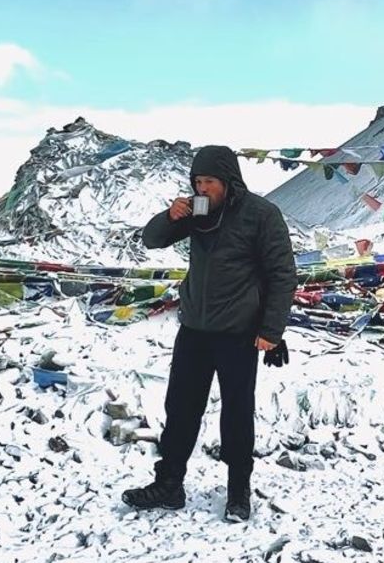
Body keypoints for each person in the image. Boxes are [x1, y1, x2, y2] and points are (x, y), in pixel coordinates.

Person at [121, 144, 297, 522]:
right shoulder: (199, 213)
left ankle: (238, 492)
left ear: (228, 181)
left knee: (236, 414)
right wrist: (171, 216)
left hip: (238, 333)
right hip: (195, 330)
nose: (202, 188)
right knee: (180, 408)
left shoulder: (261, 215)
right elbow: (152, 239)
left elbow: (282, 274)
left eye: (210, 181)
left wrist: (271, 330)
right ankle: (169, 484)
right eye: (198, 181)